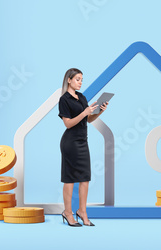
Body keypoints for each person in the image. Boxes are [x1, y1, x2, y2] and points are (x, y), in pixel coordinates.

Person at [58, 68, 108, 227]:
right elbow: (68, 123)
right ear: (69, 80)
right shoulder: (64, 99)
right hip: (70, 143)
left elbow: (88, 120)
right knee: (70, 179)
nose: (80, 82)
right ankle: (68, 212)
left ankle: (82, 211)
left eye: (81, 79)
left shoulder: (82, 97)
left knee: (85, 178)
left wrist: (99, 112)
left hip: (82, 142)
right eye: (77, 79)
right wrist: (85, 112)